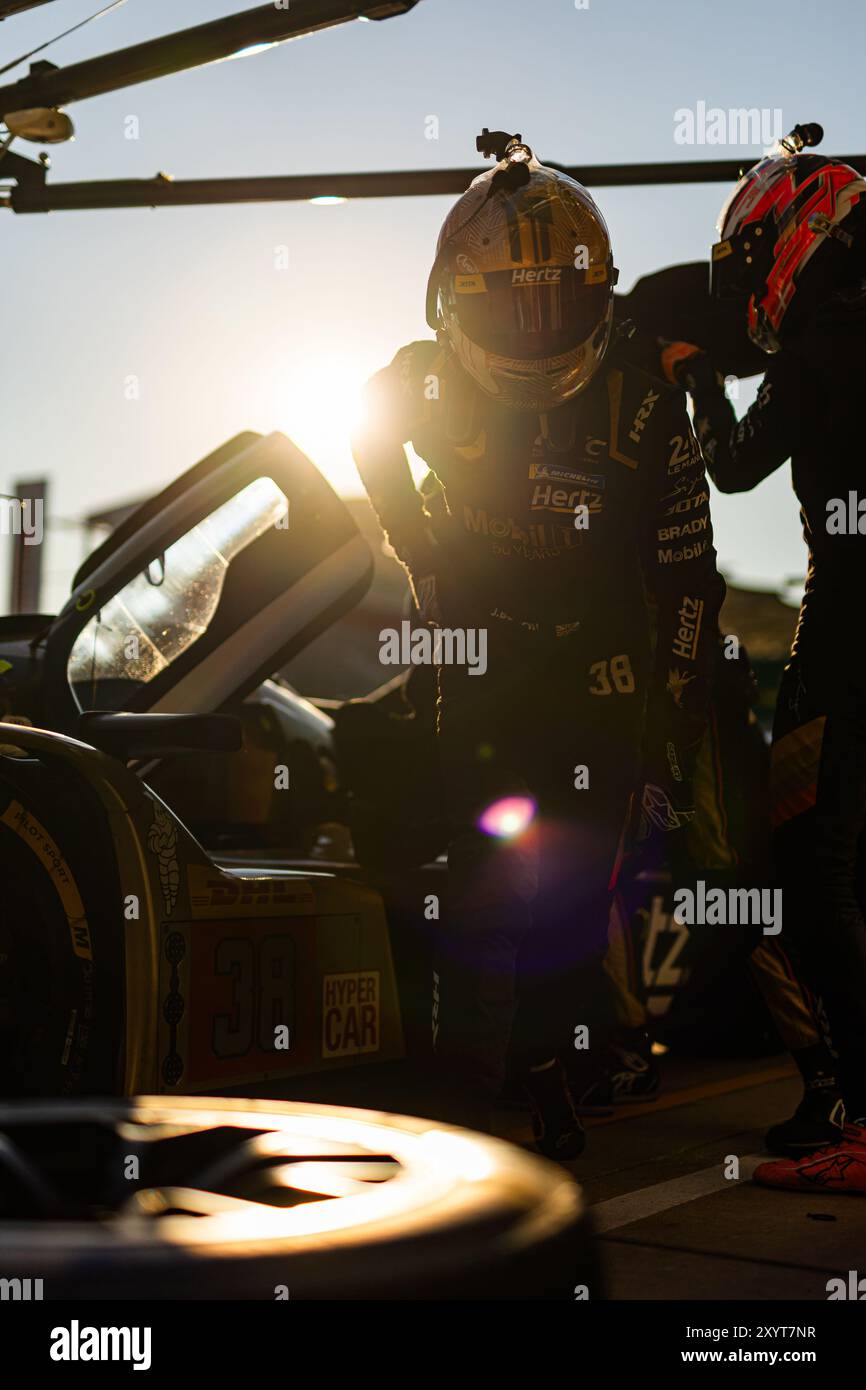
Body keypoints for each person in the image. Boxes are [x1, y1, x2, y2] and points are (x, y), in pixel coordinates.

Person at [351, 130, 725, 1157]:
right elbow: (365, 432)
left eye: (555, 299)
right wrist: (421, 552)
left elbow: (690, 581)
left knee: (562, 900)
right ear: (453, 298)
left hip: (599, 666)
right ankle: (468, 1116)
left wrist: (671, 729)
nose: (534, 325)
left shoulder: (645, 405)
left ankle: (552, 1086)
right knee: (480, 887)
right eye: (508, 303)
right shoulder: (419, 380)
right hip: (478, 654)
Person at [664, 122, 866, 1190]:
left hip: (851, 613)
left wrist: (694, 377)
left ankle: (855, 1114)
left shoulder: (821, 344)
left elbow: (735, 467)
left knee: (803, 859)